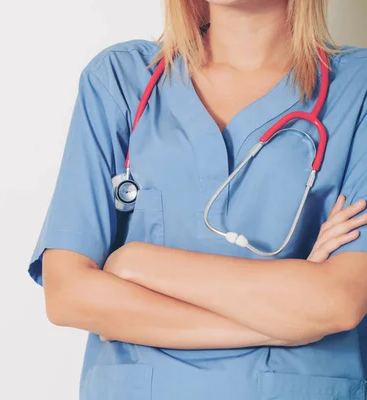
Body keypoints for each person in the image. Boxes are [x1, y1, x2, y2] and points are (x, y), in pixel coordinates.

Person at [27, 0, 367, 399]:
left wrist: (137, 263)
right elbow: (69, 295)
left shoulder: (356, 88)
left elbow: (340, 301)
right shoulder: (120, 80)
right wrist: (288, 322)